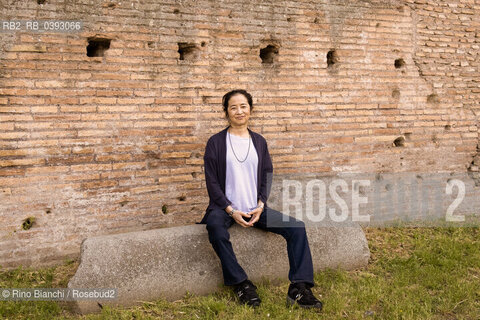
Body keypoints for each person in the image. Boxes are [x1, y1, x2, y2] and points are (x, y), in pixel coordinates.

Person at [199, 89, 323, 310]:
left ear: (251, 109)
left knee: (296, 228)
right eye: (233, 107)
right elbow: (212, 183)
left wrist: (261, 205)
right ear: (226, 112)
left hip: (255, 208)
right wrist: (230, 211)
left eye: (243, 106)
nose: (239, 111)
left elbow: (267, 173)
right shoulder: (216, 142)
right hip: (224, 207)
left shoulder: (259, 141)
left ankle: (299, 288)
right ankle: (241, 284)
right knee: (215, 228)